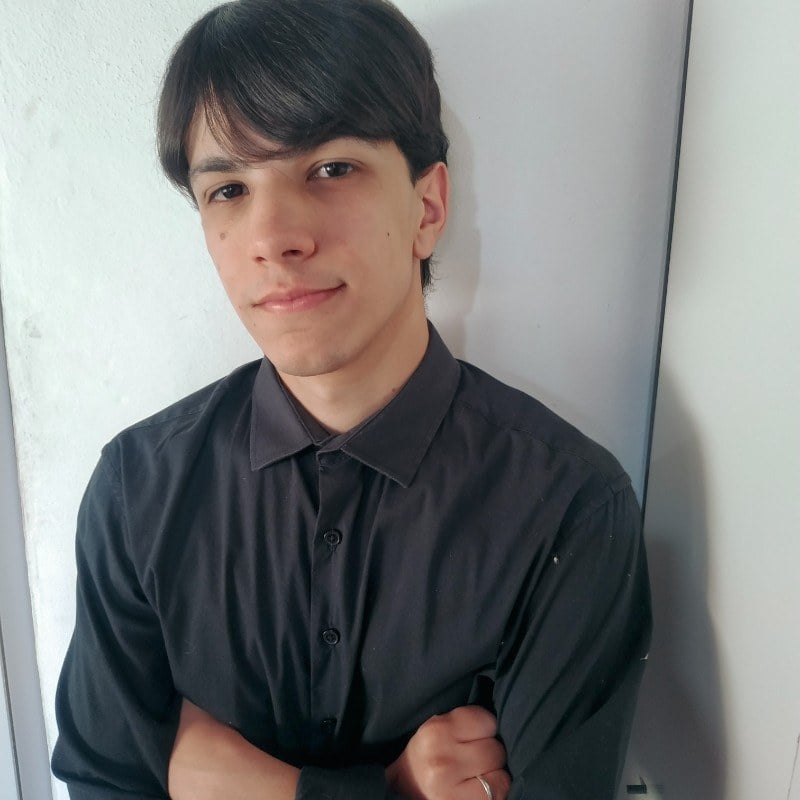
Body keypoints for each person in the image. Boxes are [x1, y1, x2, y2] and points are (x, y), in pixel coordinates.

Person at [51, 1, 651, 798]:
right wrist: (386, 789)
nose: (274, 237)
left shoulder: (568, 510)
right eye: (228, 189)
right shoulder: (138, 490)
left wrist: (221, 777)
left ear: (427, 208)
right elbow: (102, 782)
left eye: (331, 169)